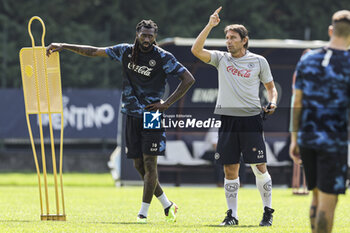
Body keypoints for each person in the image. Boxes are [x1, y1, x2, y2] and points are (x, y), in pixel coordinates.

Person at [46, 19, 195, 223]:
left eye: (151, 36)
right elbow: (94, 51)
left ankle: (142, 213)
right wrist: (64, 46)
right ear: (137, 34)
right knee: (138, 165)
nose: (147, 39)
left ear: (155, 37)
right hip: (131, 113)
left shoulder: (163, 57)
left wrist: (167, 103)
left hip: (152, 115)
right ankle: (167, 205)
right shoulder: (124, 51)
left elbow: (188, 79)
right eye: (144, 34)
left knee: (150, 165)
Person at [191, 7, 278, 226]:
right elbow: (196, 49)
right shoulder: (221, 59)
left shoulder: (258, 61)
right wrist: (210, 25)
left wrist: (273, 101)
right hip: (228, 119)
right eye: (227, 37)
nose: (228, 41)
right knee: (230, 169)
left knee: (259, 167)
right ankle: (232, 216)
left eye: (233, 38)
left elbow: (271, 88)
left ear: (244, 40)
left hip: (251, 119)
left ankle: (267, 212)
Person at [290, 10, 350, 233]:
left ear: (330, 30)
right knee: (328, 201)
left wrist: (294, 138)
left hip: (307, 137)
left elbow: (297, 102)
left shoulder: (308, 59)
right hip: (334, 142)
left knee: (315, 197)